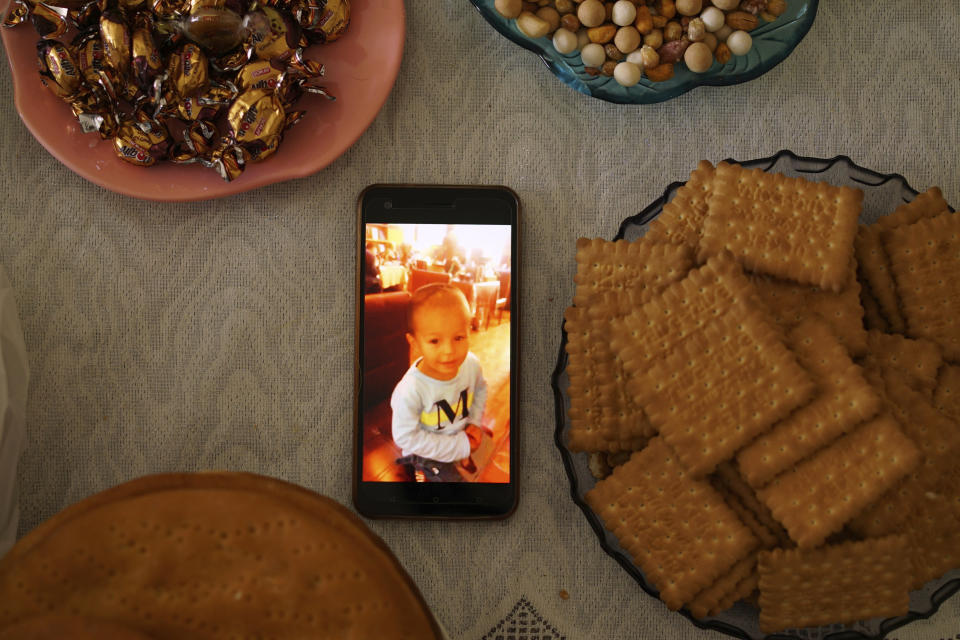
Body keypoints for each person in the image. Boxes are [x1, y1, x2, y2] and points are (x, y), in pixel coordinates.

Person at [390, 283, 489, 482]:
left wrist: (474, 422)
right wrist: (460, 446)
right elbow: (405, 437)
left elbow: (480, 389)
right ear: (415, 343)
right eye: (435, 341)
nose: (449, 351)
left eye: (459, 337)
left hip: (459, 433)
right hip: (425, 452)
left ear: (469, 331)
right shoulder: (410, 390)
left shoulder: (471, 365)